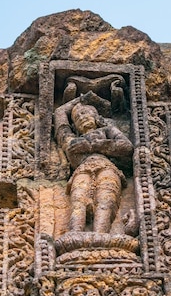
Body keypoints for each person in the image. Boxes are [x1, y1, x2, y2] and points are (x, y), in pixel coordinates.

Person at [54, 93, 133, 233]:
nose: (82, 117)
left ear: (96, 117)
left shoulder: (106, 131)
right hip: (82, 170)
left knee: (106, 200)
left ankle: (101, 234)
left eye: (85, 113)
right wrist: (82, 99)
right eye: (77, 118)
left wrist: (94, 145)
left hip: (106, 167)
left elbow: (126, 147)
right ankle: (75, 235)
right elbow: (60, 112)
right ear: (74, 125)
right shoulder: (69, 139)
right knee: (78, 201)